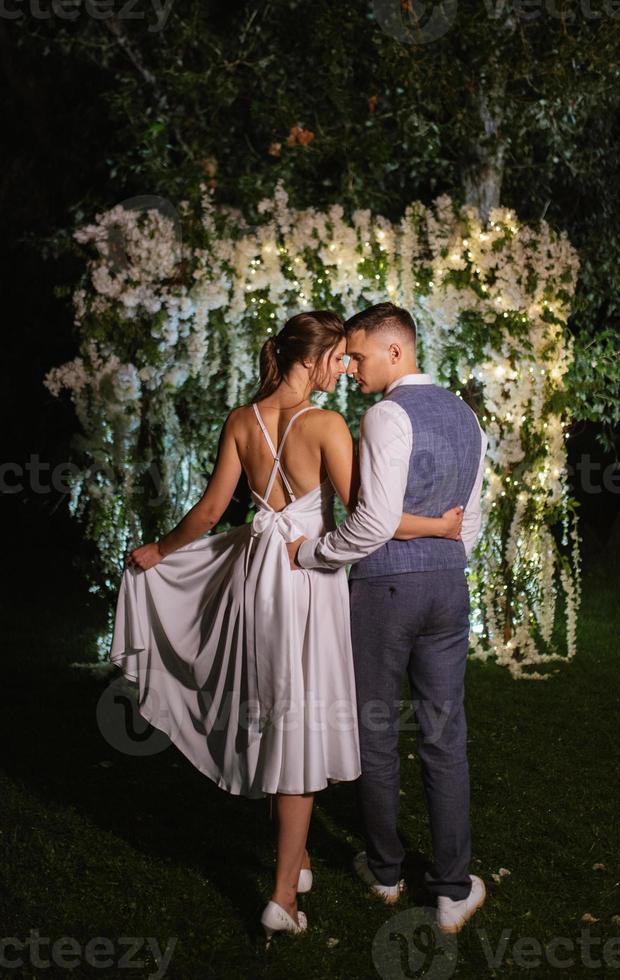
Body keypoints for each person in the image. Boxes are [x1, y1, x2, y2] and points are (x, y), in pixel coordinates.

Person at [110, 309, 466, 945]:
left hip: (256, 577)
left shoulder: (242, 420)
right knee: (299, 721)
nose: (346, 367)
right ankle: (280, 897)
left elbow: (214, 509)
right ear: (314, 358)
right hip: (305, 582)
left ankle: (298, 864)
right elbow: (372, 517)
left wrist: (159, 552)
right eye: (339, 357)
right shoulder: (327, 425)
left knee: (274, 707)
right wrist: (439, 527)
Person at [286, 302, 489, 935]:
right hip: (449, 588)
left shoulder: (385, 415)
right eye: (344, 358)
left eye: (358, 356)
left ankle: (386, 872)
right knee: (443, 732)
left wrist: (316, 553)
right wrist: (445, 559)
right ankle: (454, 889)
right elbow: (471, 519)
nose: (349, 368)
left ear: (395, 352)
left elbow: (372, 521)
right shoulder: (468, 416)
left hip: (383, 593)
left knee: (376, 730)